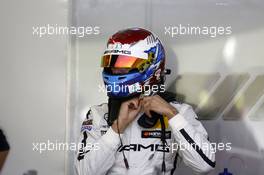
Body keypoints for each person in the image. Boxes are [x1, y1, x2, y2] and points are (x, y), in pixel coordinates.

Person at [75, 28, 215, 175]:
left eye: (123, 66)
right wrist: (117, 127)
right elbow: (83, 172)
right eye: (111, 65)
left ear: (151, 67)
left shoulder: (179, 112)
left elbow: (205, 164)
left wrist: (171, 114)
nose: (115, 72)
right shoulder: (98, 114)